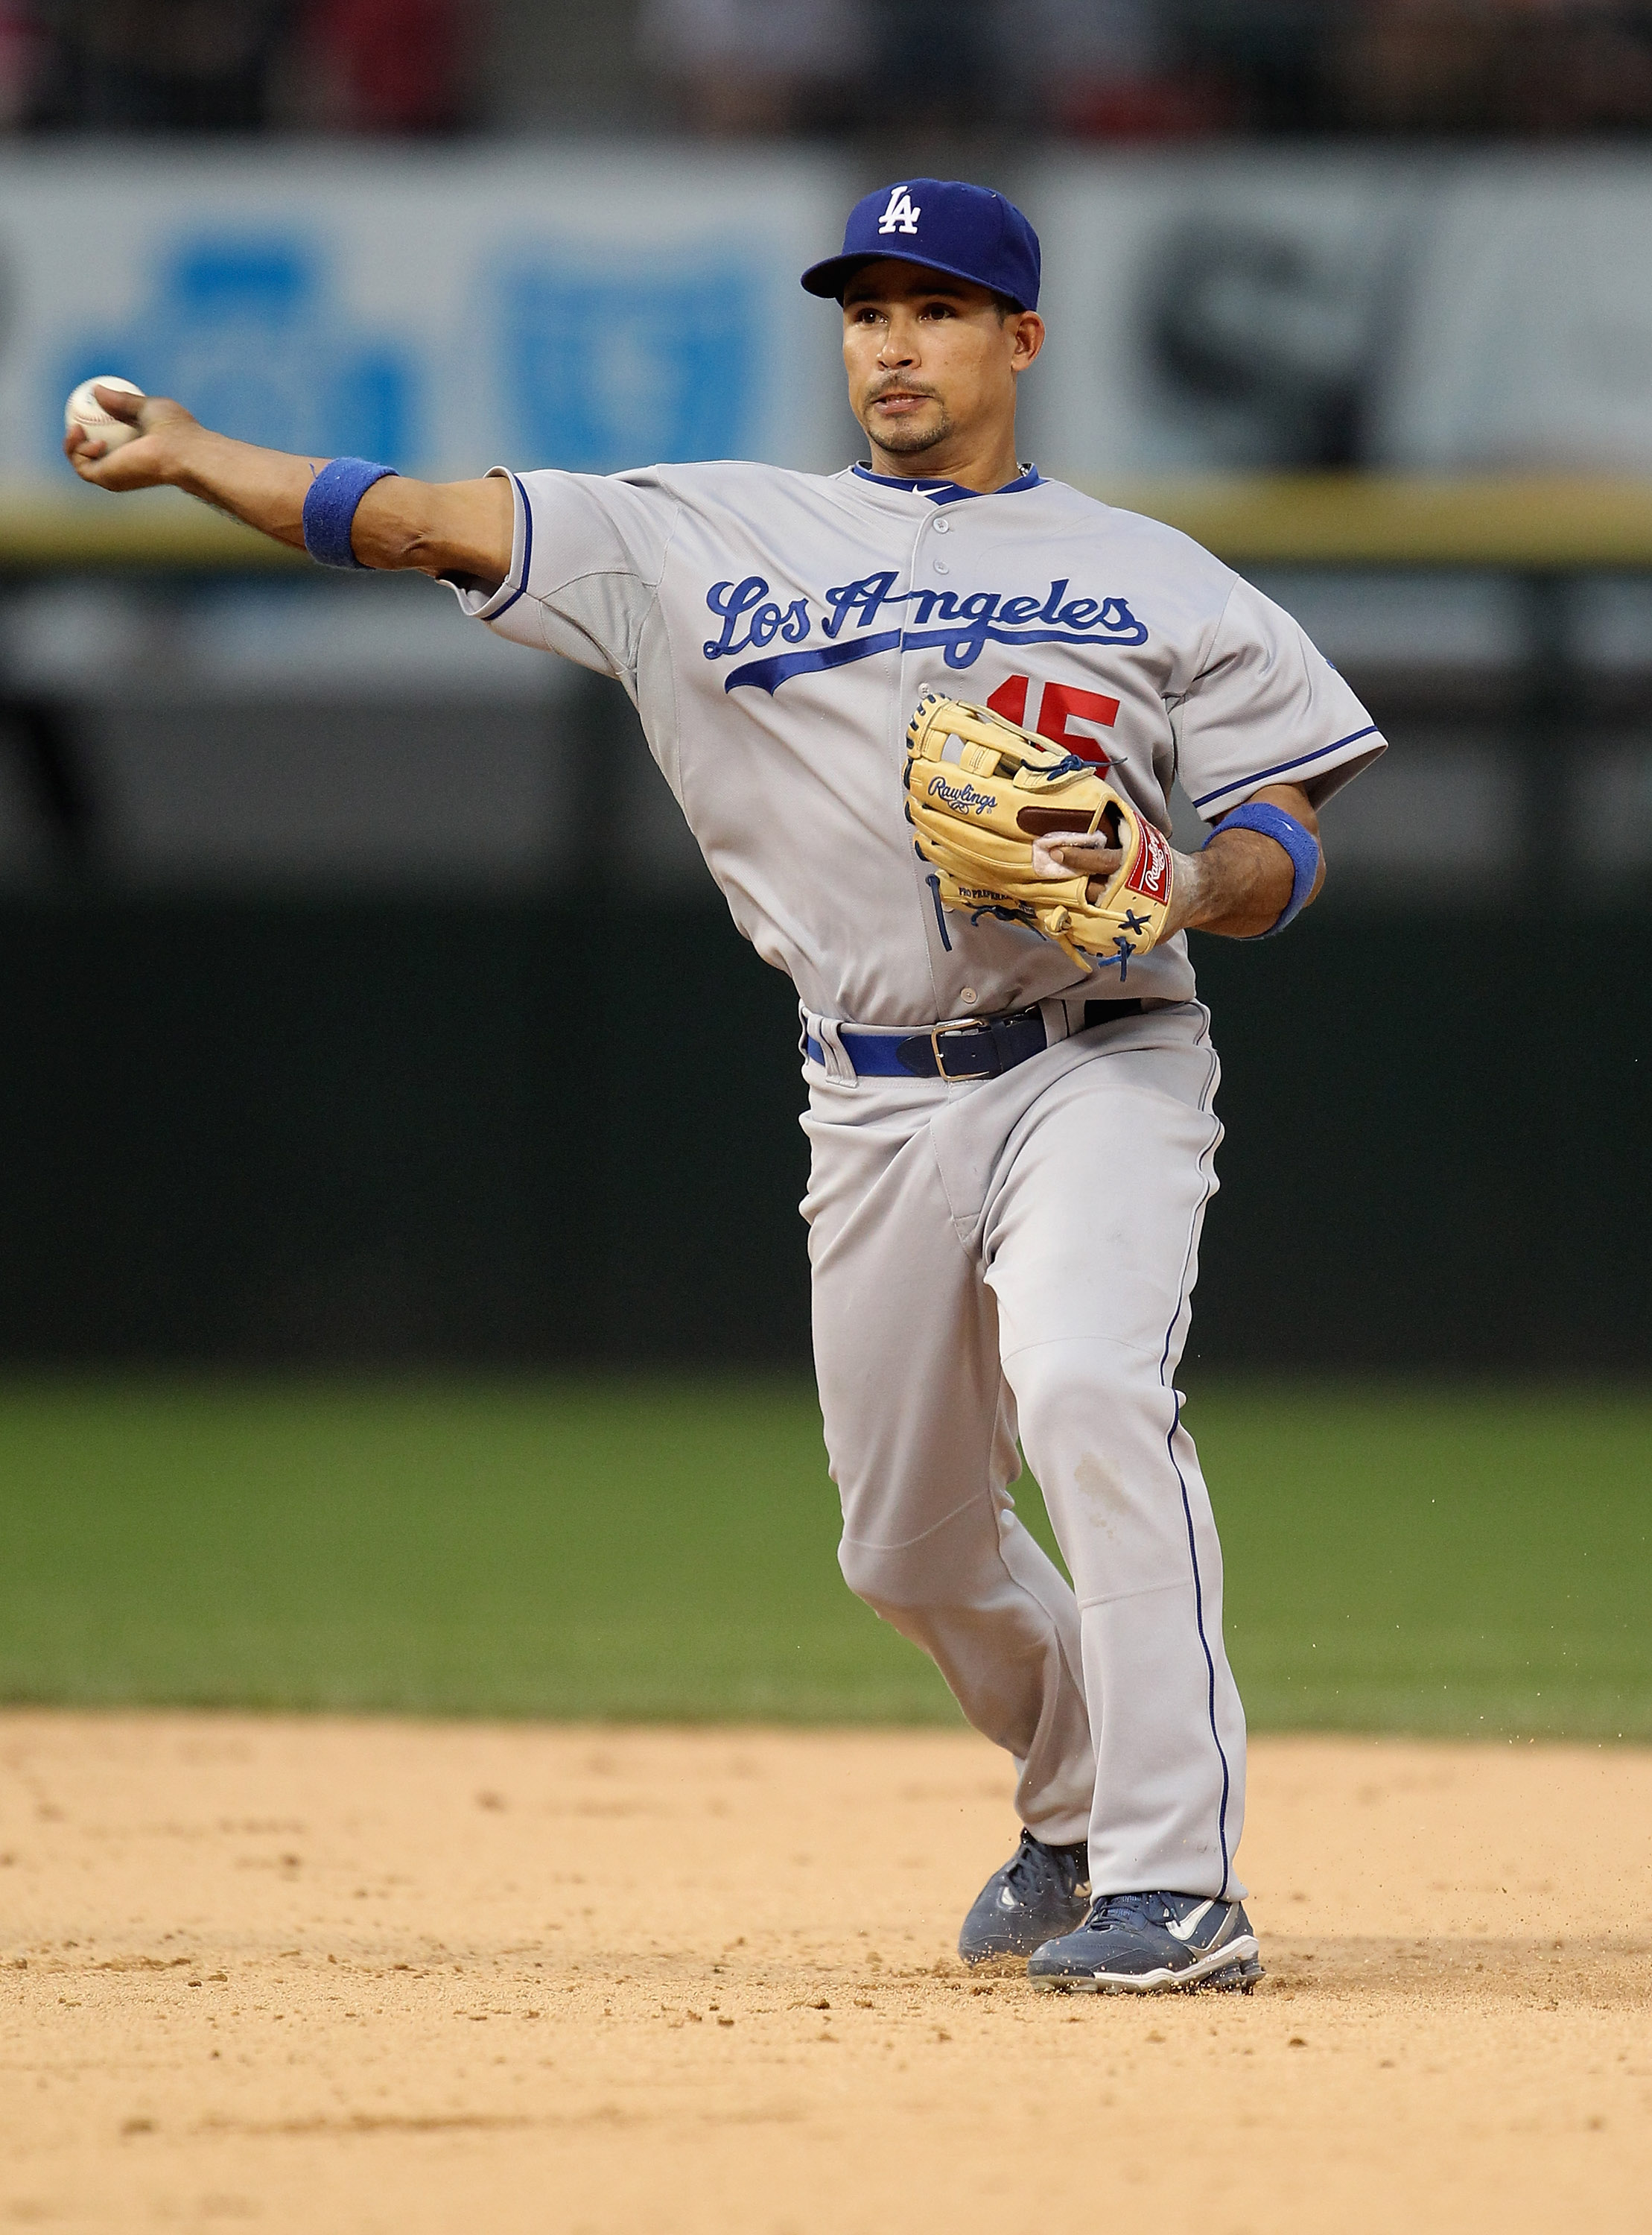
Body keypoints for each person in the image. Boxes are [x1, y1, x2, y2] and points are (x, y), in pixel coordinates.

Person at [67, 178, 1383, 1994]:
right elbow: (409, 519)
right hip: (866, 1090)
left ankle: (1177, 1884)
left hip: (1102, 1058)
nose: (892, 342)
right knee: (903, 1550)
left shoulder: (1160, 574)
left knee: (1089, 1387)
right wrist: (199, 450)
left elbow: (1286, 839)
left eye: (933, 308)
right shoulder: (694, 534)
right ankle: (1074, 1808)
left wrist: (1183, 881)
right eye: (865, 312)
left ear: (1019, 338)